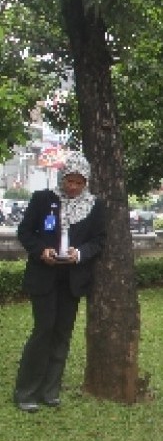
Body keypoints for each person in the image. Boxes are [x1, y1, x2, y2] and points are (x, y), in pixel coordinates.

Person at [13, 151, 105, 412]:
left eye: (79, 182)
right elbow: (25, 232)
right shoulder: (43, 199)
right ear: (62, 177)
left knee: (62, 334)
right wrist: (42, 251)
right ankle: (25, 392)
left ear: (86, 182)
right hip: (44, 276)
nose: (73, 187)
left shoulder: (94, 206)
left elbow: (99, 240)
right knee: (44, 330)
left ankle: (50, 390)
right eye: (69, 180)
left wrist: (80, 253)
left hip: (73, 279)